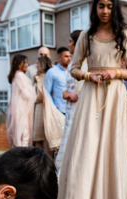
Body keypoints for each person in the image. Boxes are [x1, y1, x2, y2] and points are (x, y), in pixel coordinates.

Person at [58, 0, 127, 199]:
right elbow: (75, 68)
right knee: (88, 144)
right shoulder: (86, 36)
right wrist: (89, 75)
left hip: (115, 95)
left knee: (112, 145)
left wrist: (116, 73)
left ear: (114, 8)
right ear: (94, 8)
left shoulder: (122, 35)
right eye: (101, 5)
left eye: (109, 5)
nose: (105, 10)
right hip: (91, 94)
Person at [56, 30, 85, 168]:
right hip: (70, 108)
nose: (69, 44)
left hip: (80, 108)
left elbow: (88, 85)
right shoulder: (73, 64)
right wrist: (66, 93)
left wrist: (77, 94)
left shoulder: (87, 63)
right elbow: (66, 87)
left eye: (71, 41)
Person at [33, 56, 66, 157]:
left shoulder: (42, 78)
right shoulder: (45, 76)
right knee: (45, 137)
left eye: (38, 63)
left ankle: (42, 162)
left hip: (42, 110)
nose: (36, 65)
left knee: (42, 138)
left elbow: (40, 95)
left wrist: (31, 99)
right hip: (45, 109)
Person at [6, 54, 35, 148]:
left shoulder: (15, 75)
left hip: (15, 110)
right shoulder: (20, 75)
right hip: (20, 111)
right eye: (24, 62)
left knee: (17, 137)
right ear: (19, 64)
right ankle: (22, 160)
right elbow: (28, 94)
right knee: (24, 137)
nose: (27, 65)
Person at [45, 47, 71, 114]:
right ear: (59, 57)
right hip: (60, 110)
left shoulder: (72, 71)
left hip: (73, 109)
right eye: (66, 56)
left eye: (70, 56)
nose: (69, 58)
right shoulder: (51, 72)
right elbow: (46, 92)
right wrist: (54, 107)